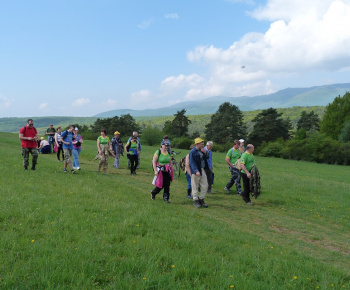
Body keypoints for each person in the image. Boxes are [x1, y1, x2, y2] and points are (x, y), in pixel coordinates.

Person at [189, 138, 209, 208]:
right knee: (195, 186)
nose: (203, 145)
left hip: (202, 169)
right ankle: (195, 200)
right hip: (196, 171)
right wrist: (196, 170)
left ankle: (201, 199)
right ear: (197, 144)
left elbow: (207, 157)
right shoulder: (192, 152)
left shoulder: (202, 150)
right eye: (201, 144)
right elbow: (192, 162)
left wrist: (205, 152)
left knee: (205, 185)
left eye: (203, 144)